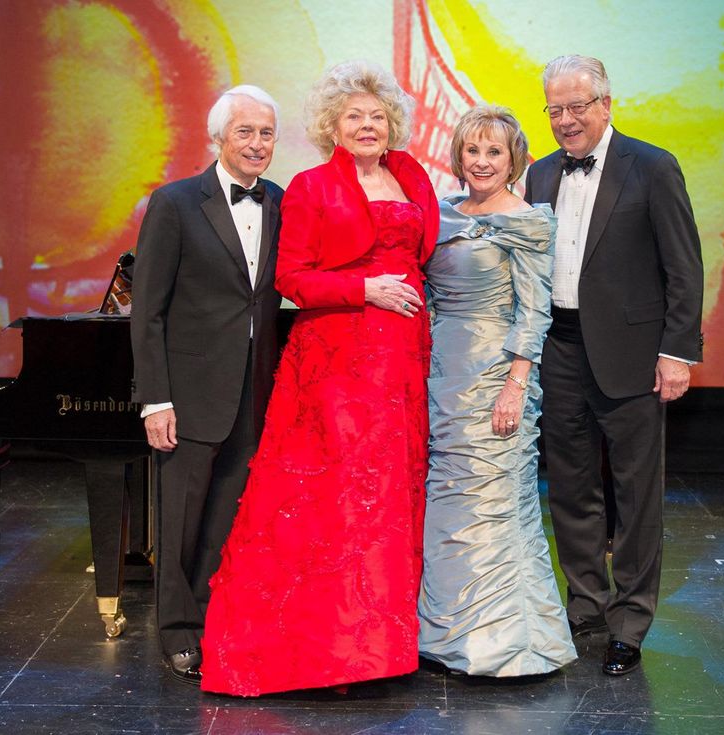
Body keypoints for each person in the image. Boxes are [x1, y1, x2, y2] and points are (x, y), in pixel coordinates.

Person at [200, 60, 438, 697]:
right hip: (335, 362)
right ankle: (329, 651)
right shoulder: (309, 186)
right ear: (333, 126)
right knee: (333, 500)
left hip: (403, 362)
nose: (367, 125)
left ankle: (382, 647)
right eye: (354, 116)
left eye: (377, 116)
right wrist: (365, 289)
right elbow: (292, 280)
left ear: (393, 125)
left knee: (390, 500)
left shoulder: (411, 177)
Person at [524, 55, 704, 676]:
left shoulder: (652, 167)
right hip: (559, 350)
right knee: (571, 489)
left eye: (578, 106)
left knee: (636, 492)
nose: (567, 120)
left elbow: (684, 267)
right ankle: (585, 607)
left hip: (632, 355)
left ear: (606, 105)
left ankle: (630, 620)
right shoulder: (538, 174)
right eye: (556, 109)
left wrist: (677, 352)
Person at [129, 84, 284, 684]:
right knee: (182, 516)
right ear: (218, 137)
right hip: (188, 390)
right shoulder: (174, 203)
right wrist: (155, 399)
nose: (256, 143)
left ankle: (208, 617)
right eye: (245, 132)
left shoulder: (280, 202)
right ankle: (174, 630)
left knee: (224, 513)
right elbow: (149, 311)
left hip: (253, 389)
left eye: (266, 133)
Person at [417, 105, 576, 676]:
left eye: (494, 153)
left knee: (494, 502)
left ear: (514, 161)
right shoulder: (440, 212)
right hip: (441, 377)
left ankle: (510, 645)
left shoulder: (529, 220)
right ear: (458, 154)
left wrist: (515, 385)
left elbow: (534, 312)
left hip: (495, 380)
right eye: (472, 150)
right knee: (448, 503)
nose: (481, 162)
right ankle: (445, 637)